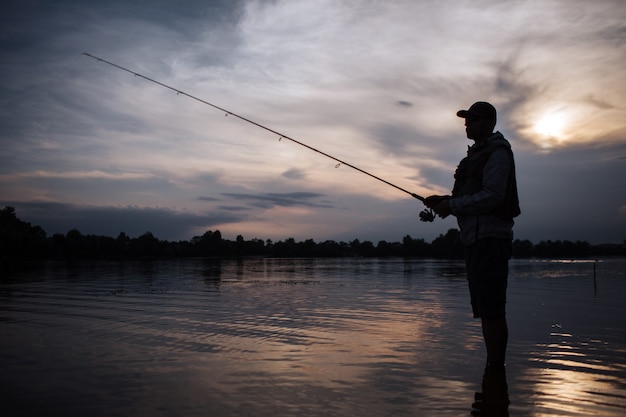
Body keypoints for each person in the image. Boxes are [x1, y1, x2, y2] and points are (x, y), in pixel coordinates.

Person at [425, 101, 520, 368]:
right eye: (467, 120)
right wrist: (444, 200)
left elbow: (493, 196)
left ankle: (495, 371)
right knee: (485, 310)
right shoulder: (475, 155)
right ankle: (493, 377)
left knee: (492, 310)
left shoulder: (497, 153)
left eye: (474, 119)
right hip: (475, 239)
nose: (467, 124)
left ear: (489, 123)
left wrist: (452, 205)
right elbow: (471, 196)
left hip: (491, 238)